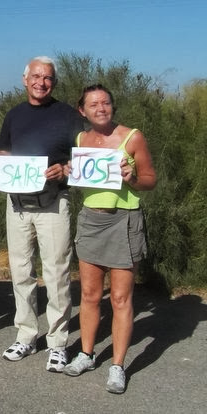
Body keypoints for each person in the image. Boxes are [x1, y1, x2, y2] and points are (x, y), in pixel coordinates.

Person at [0, 56, 84, 371]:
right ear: (25, 79)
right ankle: (26, 336)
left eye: (48, 78)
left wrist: (66, 168)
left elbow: (82, 158)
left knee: (56, 274)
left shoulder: (68, 115)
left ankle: (57, 344)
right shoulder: (14, 115)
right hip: (17, 205)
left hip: (54, 203)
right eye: (36, 77)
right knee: (21, 272)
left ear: (54, 83)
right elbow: (4, 151)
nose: (42, 83)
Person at [63, 84, 156, 393]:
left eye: (105, 102)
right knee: (89, 295)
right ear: (83, 110)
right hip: (90, 219)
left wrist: (133, 178)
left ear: (112, 106)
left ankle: (117, 366)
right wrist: (68, 169)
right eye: (93, 104)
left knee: (119, 298)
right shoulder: (81, 139)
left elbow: (150, 180)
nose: (100, 107)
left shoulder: (132, 137)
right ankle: (86, 354)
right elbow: (80, 176)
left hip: (124, 221)